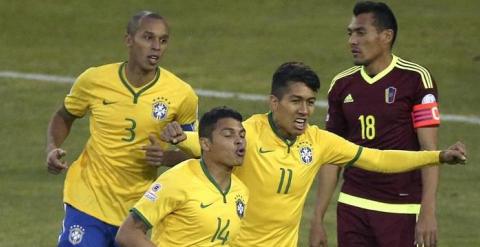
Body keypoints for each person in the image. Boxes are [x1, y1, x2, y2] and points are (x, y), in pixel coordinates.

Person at [159, 62, 467, 247]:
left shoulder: (318, 142)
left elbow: (380, 158)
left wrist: (437, 156)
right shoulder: (248, 132)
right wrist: (180, 138)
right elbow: (208, 144)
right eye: (296, 101)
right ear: (274, 102)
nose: (304, 111)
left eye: (310, 102)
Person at [46, 11, 198, 246]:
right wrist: (52, 147)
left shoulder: (181, 94)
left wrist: (166, 157)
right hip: (87, 198)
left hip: (136, 213)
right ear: (128, 40)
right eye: (148, 38)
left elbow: (199, 154)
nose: (156, 46)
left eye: (163, 40)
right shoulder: (95, 80)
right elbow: (64, 115)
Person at [309, 1, 446, 247]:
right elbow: (332, 155)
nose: (352, 40)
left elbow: (430, 152)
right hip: (353, 204)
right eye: (350, 33)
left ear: (386, 36)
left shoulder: (416, 79)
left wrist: (427, 211)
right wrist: (317, 217)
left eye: (361, 32)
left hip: (402, 207)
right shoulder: (341, 85)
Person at [115, 106, 249, 246]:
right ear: (205, 144)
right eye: (228, 135)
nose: (239, 140)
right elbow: (128, 233)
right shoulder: (178, 179)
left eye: (242, 135)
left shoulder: (241, 191)